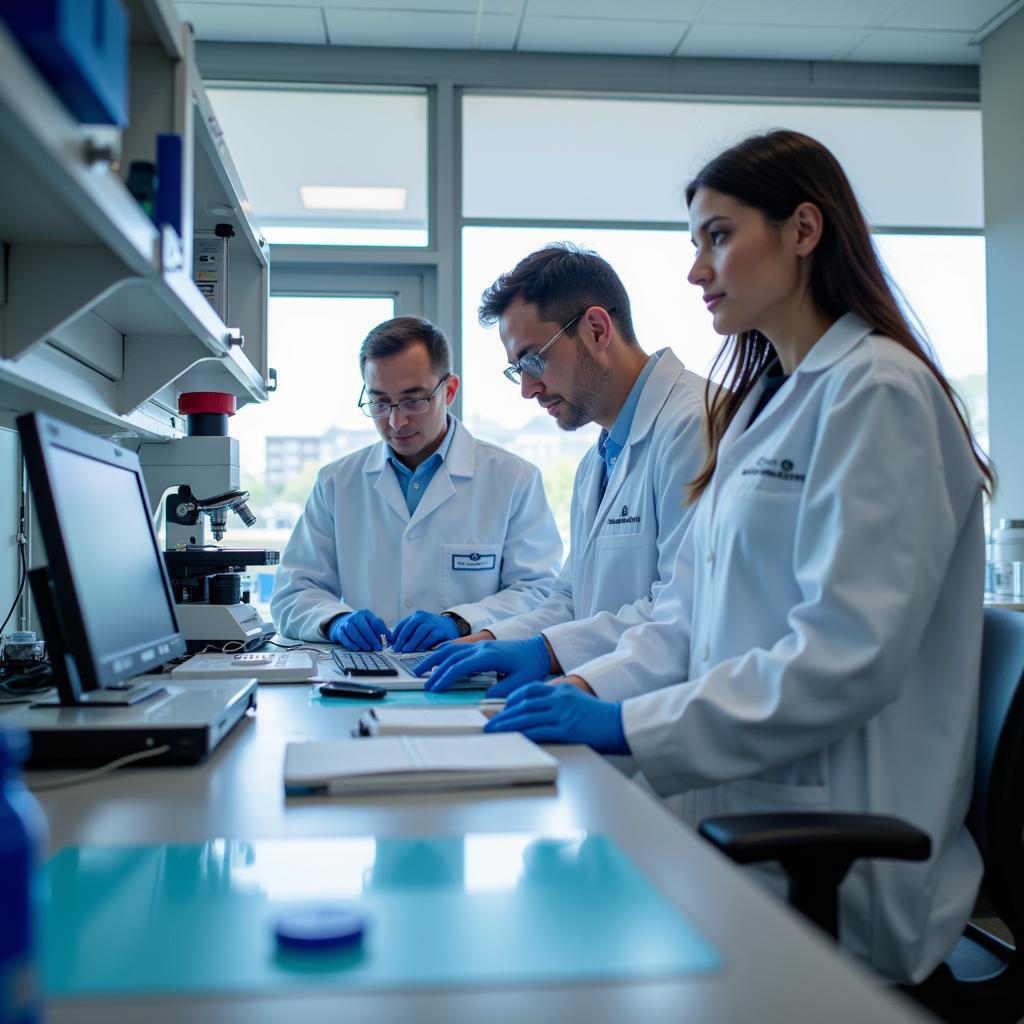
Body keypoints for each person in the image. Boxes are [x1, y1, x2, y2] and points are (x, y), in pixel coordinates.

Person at [485, 130, 993, 985]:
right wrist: (583, 689)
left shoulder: (878, 392)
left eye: (718, 236)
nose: (696, 270)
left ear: (803, 230)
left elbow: (844, 659)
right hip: (734, 809)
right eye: (695, 244)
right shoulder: (761, 406)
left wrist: (624, 725)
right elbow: (686, 614)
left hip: (827, 850)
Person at [416, 243, 707, 695]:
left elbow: (685, 610)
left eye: (533, 360)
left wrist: (552, 659)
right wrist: (487, 640)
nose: (528, 390)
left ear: (595, 329)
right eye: (518, 371)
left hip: (663, 722)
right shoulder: (597, 460)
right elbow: (571, 601)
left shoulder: (697, 424)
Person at [270, 316, 562, 650]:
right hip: (366, 675)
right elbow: (294, 591)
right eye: (380, 403)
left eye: (413, 401)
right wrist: (334, 620)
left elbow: (539, 592)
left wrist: (460, 621)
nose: (397, 421)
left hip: (469, 672)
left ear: (449, 390)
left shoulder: (513, 479)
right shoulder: (336, 483)